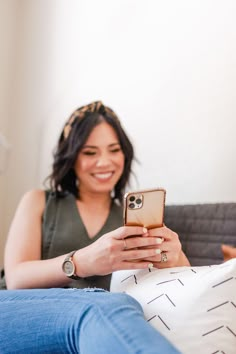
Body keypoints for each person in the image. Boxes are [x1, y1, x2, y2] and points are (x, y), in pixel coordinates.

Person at [0, 101, 189, 353]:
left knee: (117, 307)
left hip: (90, 331)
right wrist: (84, 261)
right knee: (107, 304)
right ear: (71, 156)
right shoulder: (39, 201)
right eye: (90, 152)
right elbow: (16, 278)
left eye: (114, 150)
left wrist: (172, 256)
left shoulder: (131, 219)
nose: (104, 162)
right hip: (18, 312)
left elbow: (187, 284)